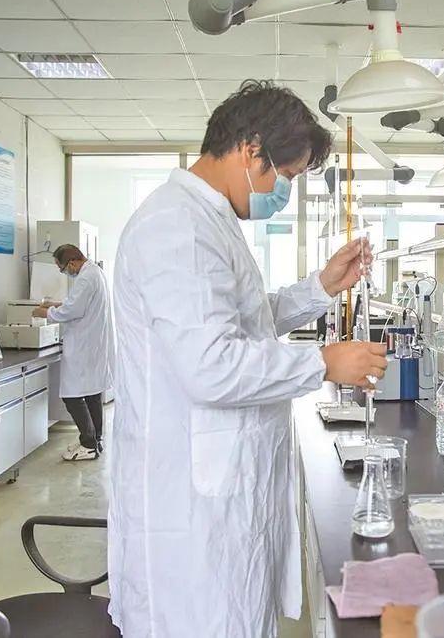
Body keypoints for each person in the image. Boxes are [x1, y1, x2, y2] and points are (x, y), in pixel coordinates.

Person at [108, 80, 388, 637]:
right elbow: (211, 365)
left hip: (221, 492)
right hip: (192, 513)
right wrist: (322, 364)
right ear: (249, 148)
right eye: (285, 176)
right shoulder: (177, 227)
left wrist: (321, 287)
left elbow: (243, 319)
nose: (284, 191)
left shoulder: (208, 219)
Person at [32, 244, 113, 461]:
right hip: (93, 344)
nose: (64, 272)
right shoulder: (95, 272)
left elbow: (72, 310)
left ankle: (88, 444)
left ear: (72, 262)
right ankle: (95, 439)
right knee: (92, 393)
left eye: (62, 268)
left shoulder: (86, 278)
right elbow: (79, 303)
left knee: (72, 396)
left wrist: (44, 312)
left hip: (83, 346)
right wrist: (57, 303)